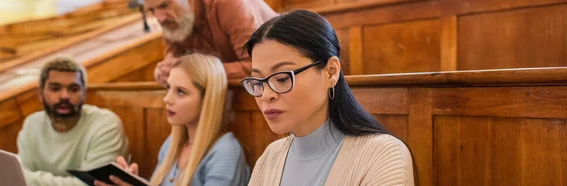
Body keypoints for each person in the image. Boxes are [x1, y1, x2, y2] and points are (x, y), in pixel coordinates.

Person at [241, 10, 416, 185]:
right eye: (258, 81)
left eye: (282, 79)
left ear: (331, 72)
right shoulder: (271, 156)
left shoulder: (382, 154)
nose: (266, 95)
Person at [95, 53, 249, 186]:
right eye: (168, 88)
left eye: (181, 92)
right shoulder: (172, 144)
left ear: (207, 99)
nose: (167, 99)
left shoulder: (225, 151)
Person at [17, 57, 129, 185]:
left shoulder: (106, 125)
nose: (64, 96)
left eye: (74, 89)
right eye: (55, 88)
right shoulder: (32, 124)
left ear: (84, 93)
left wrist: (30, 179)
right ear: (40, 94)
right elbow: (18, 177)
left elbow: (92, 184)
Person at [145, 0, 278, 85]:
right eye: (152, 10)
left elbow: (259, 67)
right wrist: (163, 71)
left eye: (164, 5)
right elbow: (173, 60)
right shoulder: (173, 22)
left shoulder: (229, 4)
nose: (159, 18)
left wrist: (200, 72)